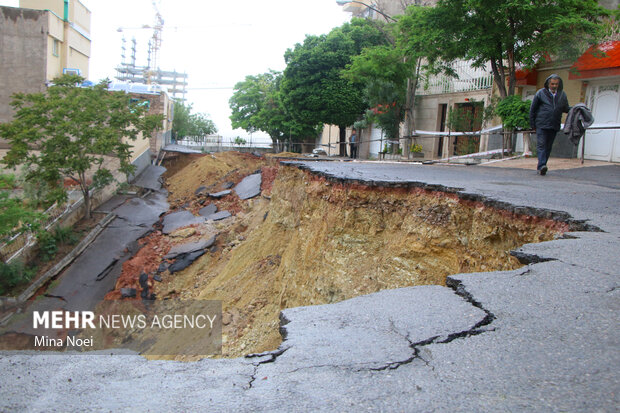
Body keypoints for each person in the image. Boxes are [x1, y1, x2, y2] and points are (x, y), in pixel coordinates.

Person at [529, 74, 570, 175]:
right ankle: (542, 165)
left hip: (554, 125)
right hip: (541, 124)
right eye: (552, 84)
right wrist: (532, 124)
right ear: (548, 84)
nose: (554, 86)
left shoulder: (562, 95)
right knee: (542, 145)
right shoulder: (541, 93)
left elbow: (565, 108)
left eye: (556, 84)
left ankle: (542, 166)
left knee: (548, 147)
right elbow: (533, 109)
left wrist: (576, 108)